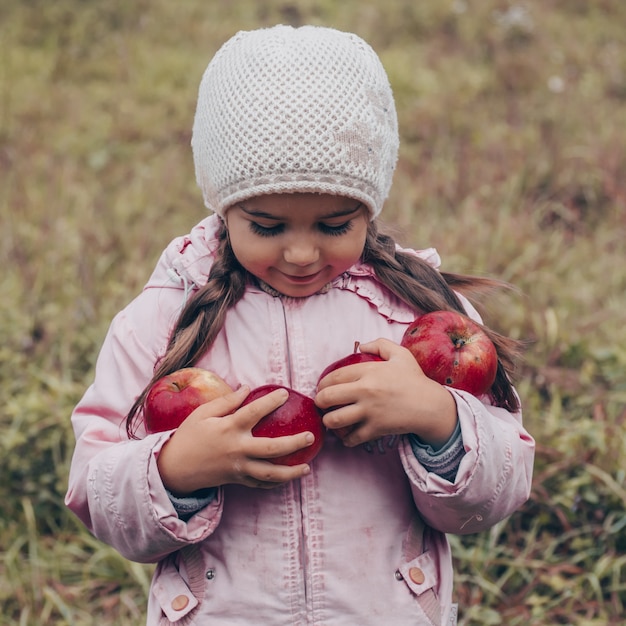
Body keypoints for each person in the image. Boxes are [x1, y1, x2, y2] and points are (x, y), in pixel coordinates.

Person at [65, 25, 534, 626]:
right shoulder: (163, 318)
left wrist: (437, 420)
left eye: (335, 225)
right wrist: (175, 469)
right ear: (223, 205)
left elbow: (498, 491)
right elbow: (94, 492)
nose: (302, 254)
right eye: (267, 226)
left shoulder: (416, 312)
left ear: (369, 208)